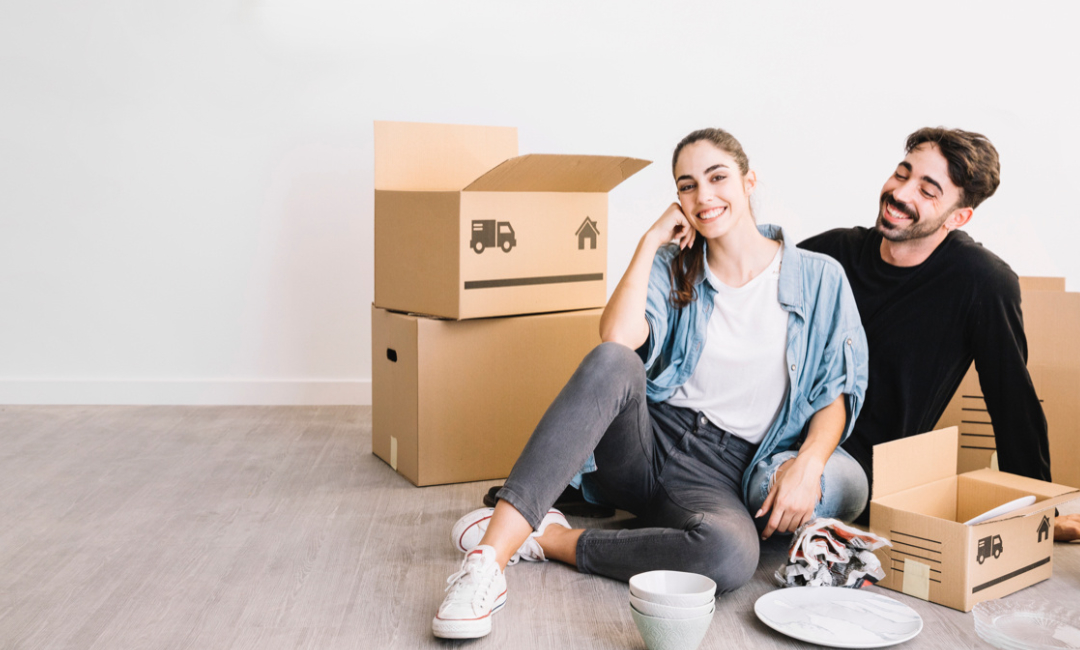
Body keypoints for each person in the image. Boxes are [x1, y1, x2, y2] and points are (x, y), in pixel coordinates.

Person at [431, 128, 870, 640]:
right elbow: (617, 337)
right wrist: (649, 242)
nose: (703, 196)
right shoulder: (673, 263)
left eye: (718, 177)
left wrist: (810, 463)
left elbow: (834, 391)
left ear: (750, 182)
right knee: (615, 362)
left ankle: (548, 539)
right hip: (643, 444)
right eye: (687, 185)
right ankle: (488, 561)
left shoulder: (821, 278)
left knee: (732, 555)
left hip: (720, 473)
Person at [797, 128, 1075, 538]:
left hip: (858, 468)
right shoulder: (832, 254)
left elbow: (1012, 401)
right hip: (781, 435)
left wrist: (1039, 516)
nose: (901, 193)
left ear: (958, 216)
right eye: (901, 173)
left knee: (769, 494)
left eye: (928, 191)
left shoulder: (980, 281)